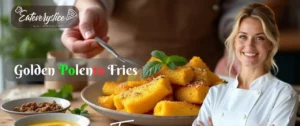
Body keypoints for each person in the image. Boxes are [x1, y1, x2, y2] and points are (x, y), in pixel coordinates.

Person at [184, 3, 298, 126]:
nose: (249, 46)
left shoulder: (283, 94)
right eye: (243, 36)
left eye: (259, 37)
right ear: (234, 41)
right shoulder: (216, 92)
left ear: (271, 43)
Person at [54, 0, 266, 70]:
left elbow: (240, 3)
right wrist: (88, 4)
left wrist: (242, 37)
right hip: (112, 70)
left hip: (211, 72)